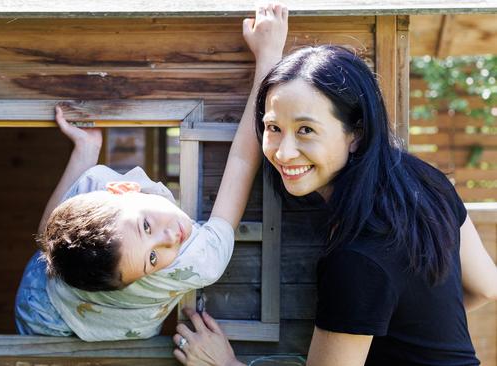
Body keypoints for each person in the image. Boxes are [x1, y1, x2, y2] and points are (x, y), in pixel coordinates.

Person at [172, 3, 497, 366]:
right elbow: (486, 286)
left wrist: (224, 365)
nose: (284, 151)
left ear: (355, 134)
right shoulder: (425, 181)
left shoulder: (356, 259)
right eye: (274, 129)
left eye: (306, 130)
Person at [13, 2, 279, 338]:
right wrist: (268, 59)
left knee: (47, 253)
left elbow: (46, 233)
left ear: (122, 189)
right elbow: (242, 160)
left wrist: (86, 150)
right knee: (47, 269)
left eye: (147, 225)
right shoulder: (197, 260)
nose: (169, 240)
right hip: (45, 313)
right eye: (152, 259)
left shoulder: (96, 184)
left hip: (82, 302)